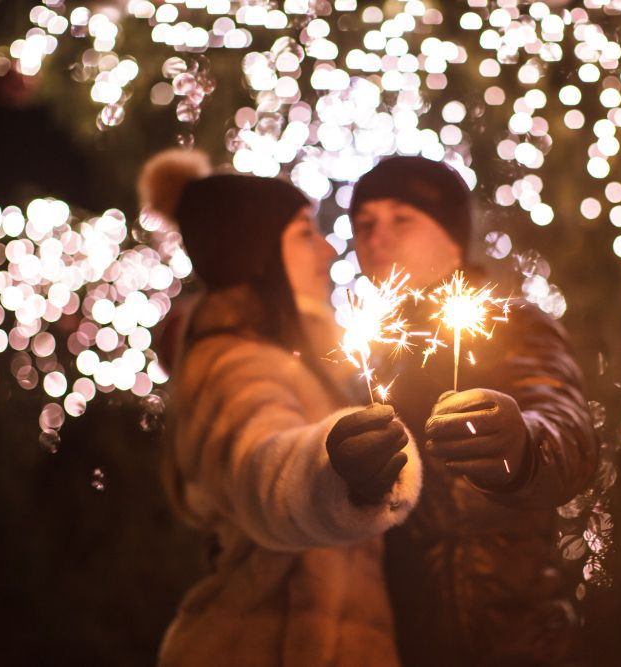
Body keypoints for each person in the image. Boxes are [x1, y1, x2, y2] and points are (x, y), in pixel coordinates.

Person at [138, 150, 423, 667]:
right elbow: (262, 463)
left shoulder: (304, 364)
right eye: (303, 233)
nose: (327, 250)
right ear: (257, 254)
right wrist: (335, 469)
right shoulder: (232, 362)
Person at [350, 156, 599, 666]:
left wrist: (523, 446)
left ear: (451, 235)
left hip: (503, 637)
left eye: (402, 218)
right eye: (364, 224)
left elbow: (568, 432)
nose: (377, 237)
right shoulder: (367, 361)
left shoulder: (512, 326)